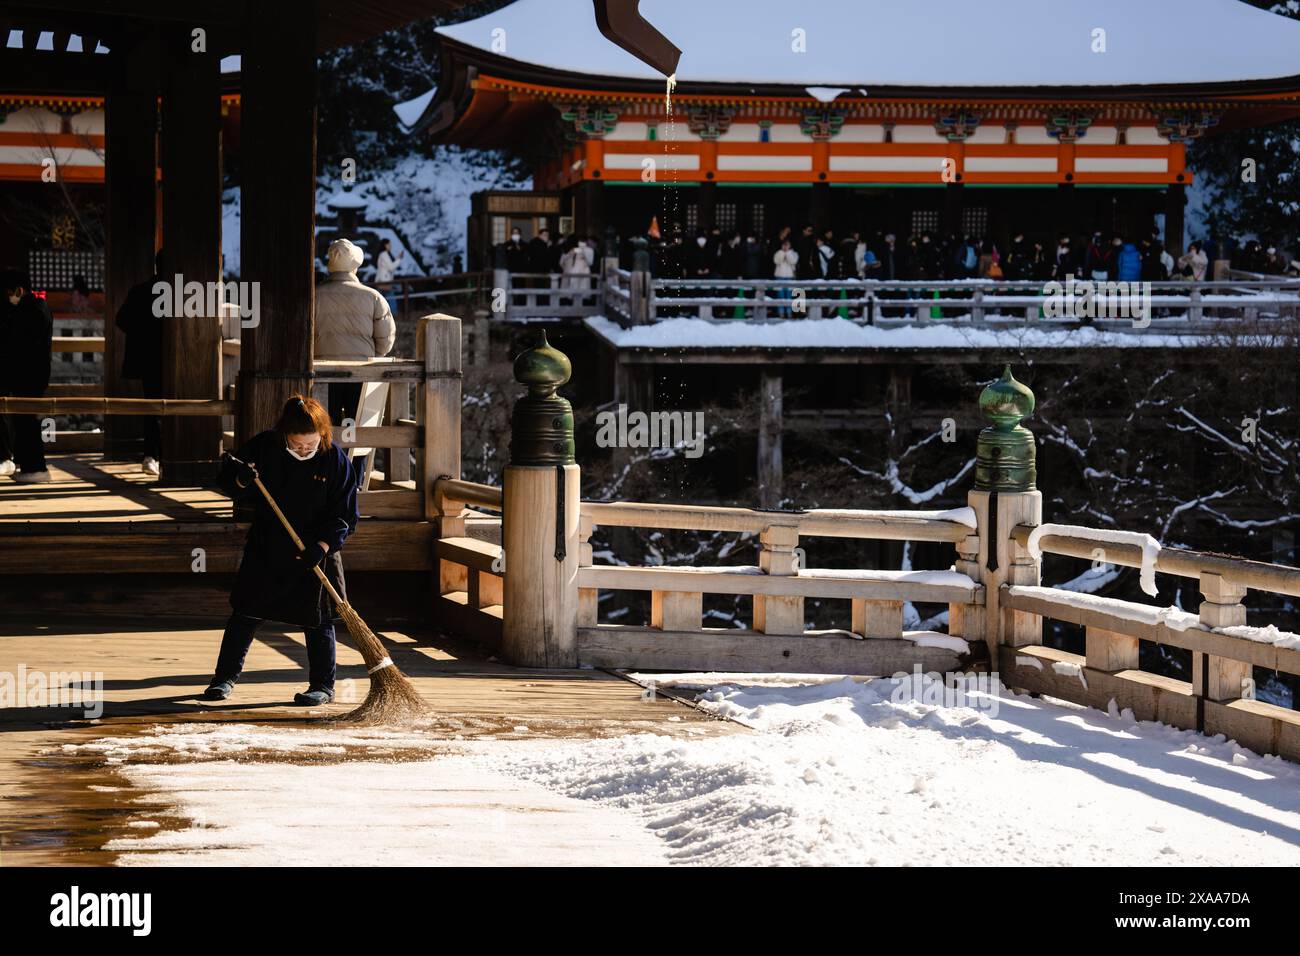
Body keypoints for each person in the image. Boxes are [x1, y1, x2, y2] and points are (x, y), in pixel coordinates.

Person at [203, 396, 359, 706]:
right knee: (245, 612)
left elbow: (345, 514)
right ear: (284, 435)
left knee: (318, 620)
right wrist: (241, 479)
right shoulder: (265, 446)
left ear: (323, 436)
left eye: (309, 445)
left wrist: (323, 546)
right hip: (269, 542)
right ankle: (223, 679)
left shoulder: (334, 460)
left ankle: (322, 686)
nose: (303, 450)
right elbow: (227, 480)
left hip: (315, 549)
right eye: (296, 444)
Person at [314, 238, 396, 432]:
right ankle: (356, 462)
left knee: (325, 432)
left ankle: (329, 462)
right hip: (361, 373)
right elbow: (385, 341)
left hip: (321, 375)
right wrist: (367, 354)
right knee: (357, 432)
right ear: (355, 267)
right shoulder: (373, 297)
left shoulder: (314, 296)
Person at [113, 250, 166, 475]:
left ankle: (151, 455)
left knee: (153, 407)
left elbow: (121, 320)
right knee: (167, 409)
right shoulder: (180, 294)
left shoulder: (140, 291)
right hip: (173, 359)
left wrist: (142, 334)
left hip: (148, 358)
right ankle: (162, 455)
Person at [0, 269, 54, 483]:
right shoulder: (38, 308)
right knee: (26, 421)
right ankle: (29, 467)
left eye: (10, 293)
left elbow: (18, 343)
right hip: (35, 375)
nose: (9, 297)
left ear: (19, 290)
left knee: (28, 422)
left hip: (29, 375)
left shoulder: (29, 311)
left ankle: (35, 468)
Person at [374, 238, 404, 314]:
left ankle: (379, 314)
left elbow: (387, 267)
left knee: (381, 300)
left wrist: (397, 259)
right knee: (391, 298)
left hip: (382, 280)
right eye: (389, 244)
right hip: (385, 280)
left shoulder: (383, 254)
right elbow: (391, 267)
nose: (390, 246)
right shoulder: (384, 254)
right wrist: (399, 259)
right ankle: (394, 314)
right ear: (385, 245)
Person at [772, 238, 798, 317]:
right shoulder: (778, 253)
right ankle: (781, 312)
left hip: (789, 277)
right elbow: (776, 261)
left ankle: (789, 312)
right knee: (780, 295)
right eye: (784, 245)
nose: (785, 246)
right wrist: (783, 253)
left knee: (789, 295)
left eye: (787, 245)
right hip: (780, 276)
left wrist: (788, 253)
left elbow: (793, 261)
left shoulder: (794, 253)